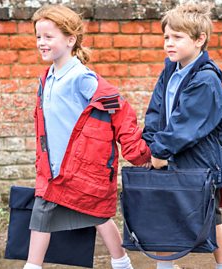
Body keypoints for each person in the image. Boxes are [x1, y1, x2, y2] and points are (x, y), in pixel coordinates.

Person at [24, 5, 151, 269]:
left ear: (70, 40)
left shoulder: (81, 77)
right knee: (42, 216)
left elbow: (119, 110)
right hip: (53, 169)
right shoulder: (48, 77)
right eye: (38, 37)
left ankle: (122, 263)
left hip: (81, 169)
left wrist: (137, 151)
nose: (41, 43)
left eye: (49, 37)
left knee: (98, 215)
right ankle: (32, 266)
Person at [142, 2, 222, 269]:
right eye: (166, 37)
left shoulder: (206, 80)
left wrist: (160, 151)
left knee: (212, 221)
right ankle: (165, 267)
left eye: (177, 37)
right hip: (170, 159)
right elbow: (156, 109)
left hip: (202, 165)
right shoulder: (170, 70)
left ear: (199, 40)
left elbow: (187, 125)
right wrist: (151, 143)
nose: (169, 43)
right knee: (165, 218)